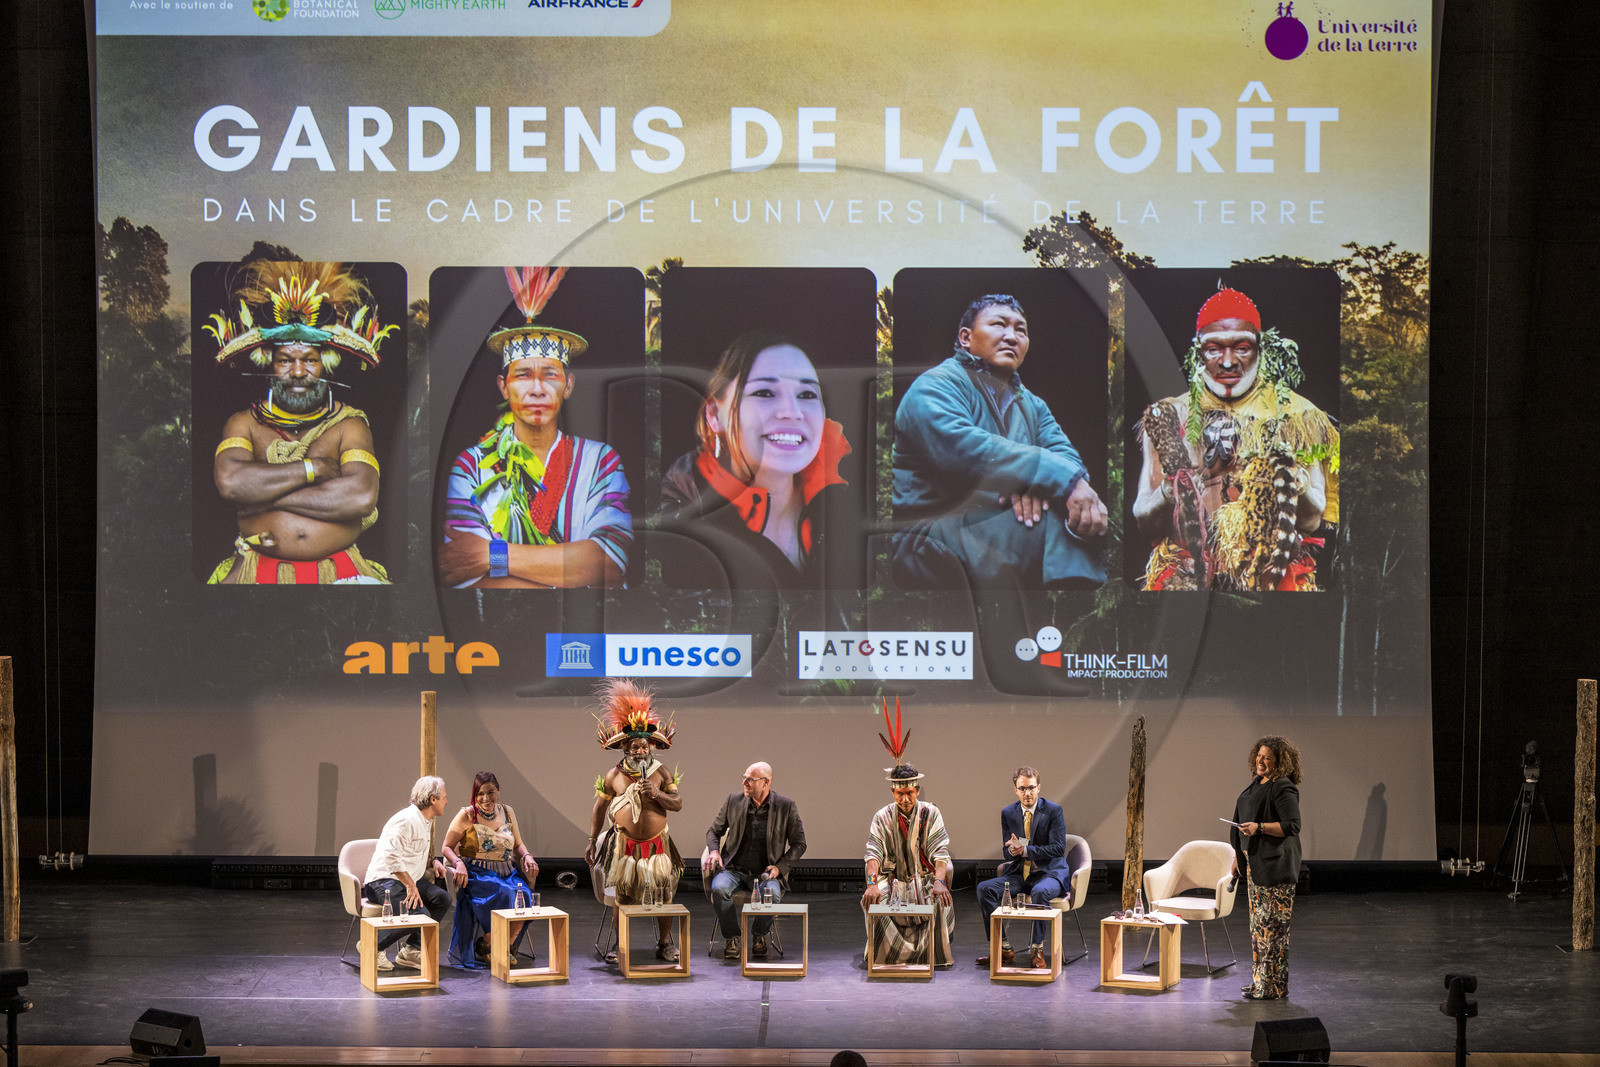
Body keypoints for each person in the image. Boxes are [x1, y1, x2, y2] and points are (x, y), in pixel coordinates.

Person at [891, 293, 1107, 589]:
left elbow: (1067, 458)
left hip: (996, 522)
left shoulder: (1032, 404)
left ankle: (1066, 609)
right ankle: (1069, 608)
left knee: (1084, 518)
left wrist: (1034, 485)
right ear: (966, 337)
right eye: (999, 324)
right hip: (926, 537)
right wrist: (1039, 480)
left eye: (1021, 330)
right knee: (1050, 524)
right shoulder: (934, 386)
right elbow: (964, 451)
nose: (1011, 336)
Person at [1134, 286, 1339, 590]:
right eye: (1214, 348)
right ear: (1198, 352)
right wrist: (1171, 488)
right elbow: (1143, 518)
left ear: (1260, 349)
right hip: (1186, 577)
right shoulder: (1168, 416)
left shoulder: (1299, 416)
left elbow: (1311, 520)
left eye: (1241, 347)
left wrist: (1294, 480)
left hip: (1270, 573)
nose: (1227, 362)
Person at [439, 266, 632, 588]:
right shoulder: (471, 466)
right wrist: (572, 572)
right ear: (504, 387)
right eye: (524, 375)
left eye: (551, 375)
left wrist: (493, 556)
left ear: (568, 386)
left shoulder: (601, 460)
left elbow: (608, 562)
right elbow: (466, 572)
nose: (538, 389)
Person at [206, 260, 395, 584]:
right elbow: (231, 483)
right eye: (285, 360)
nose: (297, 371)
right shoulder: (244, 423)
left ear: (325, 364)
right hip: (254, 571)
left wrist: (261, 494)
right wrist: (314, 470)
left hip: (343, 573)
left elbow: (362, 497)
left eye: (309, 360)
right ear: (269, 364)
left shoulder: (348, 425)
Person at [658, 332, 851, 588]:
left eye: (807, 395)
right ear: (715, 415)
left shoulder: (852, 505)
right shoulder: (670, 524)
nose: (792, 413)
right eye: (764, 392)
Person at [584, 678, 684, 963]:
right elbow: (599, 809)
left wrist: (657, 794)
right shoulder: (612, 775)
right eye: (635, 747)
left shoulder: (662, 773)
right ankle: (621, 943)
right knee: (622, 896)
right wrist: (592, 840)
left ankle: (665, 943)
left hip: (656, 846)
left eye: (644, 747)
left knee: (663, 894)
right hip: (624, 845)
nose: (641, 751)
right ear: (625, 748)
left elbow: (677, 804)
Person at [860, 699, 955, 968]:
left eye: (909, 793)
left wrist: (938, 880)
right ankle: (886, 956)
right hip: (892, 879)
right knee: (875, 897)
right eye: (899, 793)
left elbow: (940, 851)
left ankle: (931, 956)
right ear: (892, 792)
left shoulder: (930, 813)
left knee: (938, 896)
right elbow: (872, 853)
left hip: (924, 878)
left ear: (917, 790)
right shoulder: (882, 816)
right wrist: (871, 882)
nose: (905, 799)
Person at [704, 761, 808, 959]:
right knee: (719, 889)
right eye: (744, 778)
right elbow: (713, 832)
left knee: (773, 896)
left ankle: (760, 935)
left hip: (765, 873)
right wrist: (714, 852)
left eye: (750, 779)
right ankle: (732, 937)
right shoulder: (733, 801)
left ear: (766, 782)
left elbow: (799, 844)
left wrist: (779, 868)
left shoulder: (786, 807)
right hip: (733, 869)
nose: (744, 782)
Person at [973, 766, 1072, 969]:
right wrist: (1013, 852)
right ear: (1015, 790)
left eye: (1031, 788)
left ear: (1039, 788)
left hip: (1050, 873)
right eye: (1022, 788)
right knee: (985, 888)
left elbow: (1058, 848)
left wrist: (1025, 850)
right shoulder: (1008, 813)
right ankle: (1003, 948)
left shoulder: (1053, 811)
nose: (1027, 793)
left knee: (1040, 891)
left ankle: (1037, 949)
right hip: (1021, 873)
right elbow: (1006, 850)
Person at [439, 771, 540, 969]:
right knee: (504, 892)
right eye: (480, 794)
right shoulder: (467, 815)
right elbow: (446, 847)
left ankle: (496, 946)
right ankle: (497, 948)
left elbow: (518, 844)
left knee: (526, 897)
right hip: (478, 873)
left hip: (507, 871)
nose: (486, 798)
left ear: (498, 791)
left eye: (490, 792)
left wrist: (527, 855)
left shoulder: (508, 812)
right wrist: (457, 863)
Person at [1230, 735, 1304, 1000]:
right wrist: (1238, 856)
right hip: (1255, 866)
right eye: (1259, 756)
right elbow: (1241, 822)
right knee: (1259, 930)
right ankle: (1261, 982)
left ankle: (1273, 986)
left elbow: (1292, 825)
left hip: (1275, 869)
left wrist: (1259, 828)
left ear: (1279, 762)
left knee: (1272, 930)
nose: (1261, 761)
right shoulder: (1257, 783)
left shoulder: (1282, 786)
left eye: (1267, 758)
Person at [361, 775, 452, 972]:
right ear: (432, 799)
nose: (446, 801)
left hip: (407, 878)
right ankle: (372, 946)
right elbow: (391, 857)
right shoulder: (406, 820)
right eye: (443, 797)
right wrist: (410, 885)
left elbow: (410, 853)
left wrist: (432, 861)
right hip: (384, 880)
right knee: (418, 914)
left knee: (442, 899)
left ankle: (411, 950)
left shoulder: (425, 820)